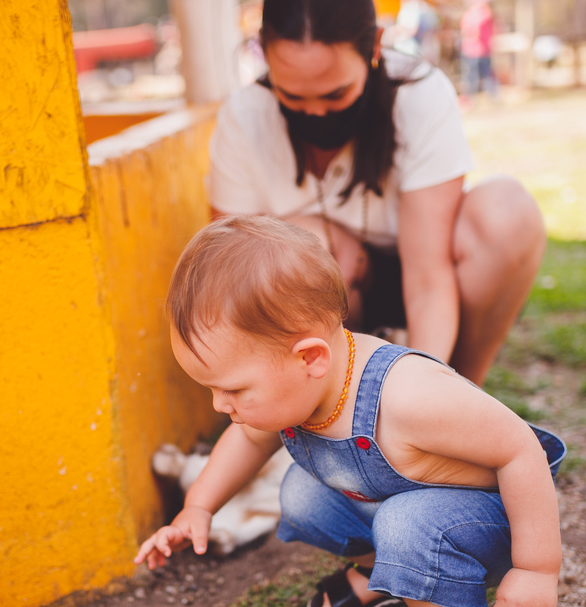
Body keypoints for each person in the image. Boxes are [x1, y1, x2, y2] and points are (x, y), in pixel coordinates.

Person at [134, 216, 566, 607]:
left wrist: (536, 569)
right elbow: (247, 440)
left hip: (491, 518)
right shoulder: (303, 383)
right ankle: (385, 576)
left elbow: (520, 451)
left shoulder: (411, 397)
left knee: (407, 525)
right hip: (402, 500)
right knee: (301, 494)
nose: (219, 405)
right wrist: (198, 508)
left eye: (233, 390)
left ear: (310, 358)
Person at [208, 0, 543, 389]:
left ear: (375, 46)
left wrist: (426, 394)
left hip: (424, 277)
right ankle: (328, 399)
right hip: (334, 300)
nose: (315, 113)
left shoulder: (420, 94)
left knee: (507, 209)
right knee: (290, 244)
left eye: (335, 94)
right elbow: (231, 279)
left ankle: (461, 389)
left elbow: (428, 276)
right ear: (263, 52)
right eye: (292, 97)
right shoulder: (243, 116)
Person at [459, 0, 497, 101]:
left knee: (476, 76)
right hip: (476, 49)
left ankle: (472, 98)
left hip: (476, 50)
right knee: (480, 75)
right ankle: (490, 96)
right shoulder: (483, 13)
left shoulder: (479, 13)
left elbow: (468, 30)